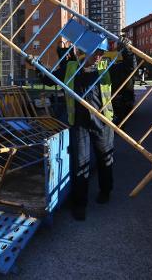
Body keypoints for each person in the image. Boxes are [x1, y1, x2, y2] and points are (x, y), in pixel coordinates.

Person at [39, 44, 115, 221]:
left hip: (102, 121)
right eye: (95, 52)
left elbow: (127, 70)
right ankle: (80, 205)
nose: (98, 56)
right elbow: (48, 80)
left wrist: (127, 51)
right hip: (79, 123)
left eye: (101, 53)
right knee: (80, 163)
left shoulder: (106, 67)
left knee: (106, 158)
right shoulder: (71, 68)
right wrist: (37, 65)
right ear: (85, 52)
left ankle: (105, 191)